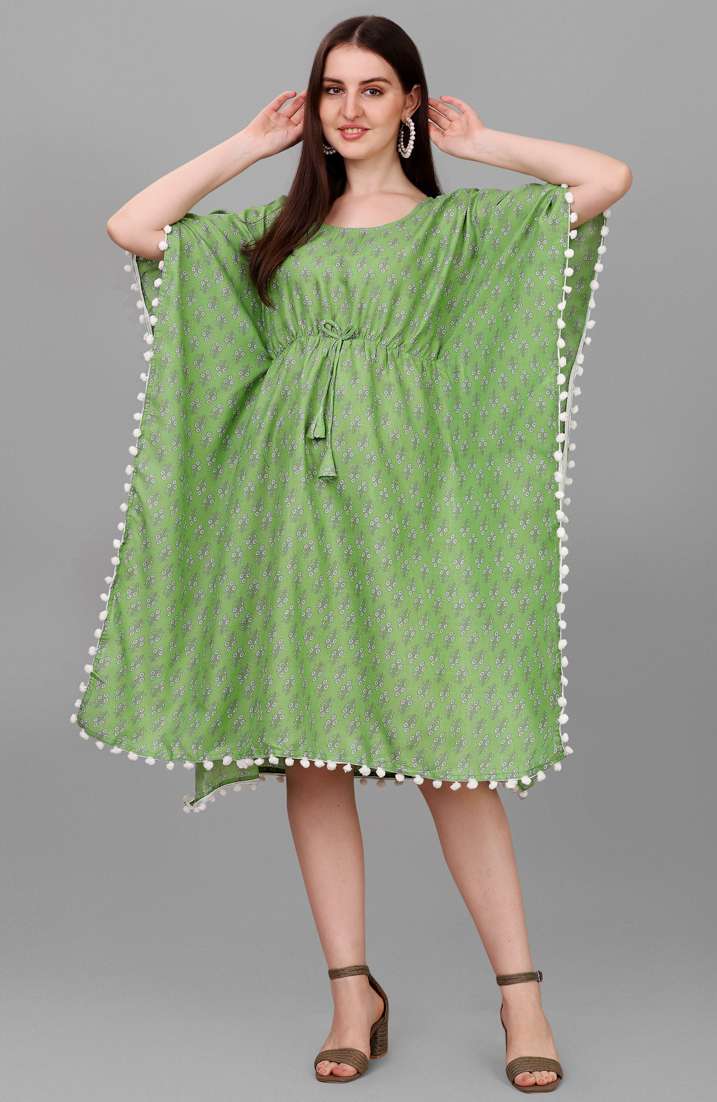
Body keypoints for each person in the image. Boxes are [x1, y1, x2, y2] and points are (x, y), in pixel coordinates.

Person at [83, 13, 631, 1092]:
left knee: (452, 754)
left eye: (373, 89)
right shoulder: (275, 235)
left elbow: (603, 178)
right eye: (331, 90)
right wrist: (251, 144)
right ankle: (351, 996)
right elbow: (133, 226)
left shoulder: (458, 228)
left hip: (415, 511)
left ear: (409, 104)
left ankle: (522, 998)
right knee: (315, 754)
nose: (348, 109)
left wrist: (483, 144)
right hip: (289, 511)